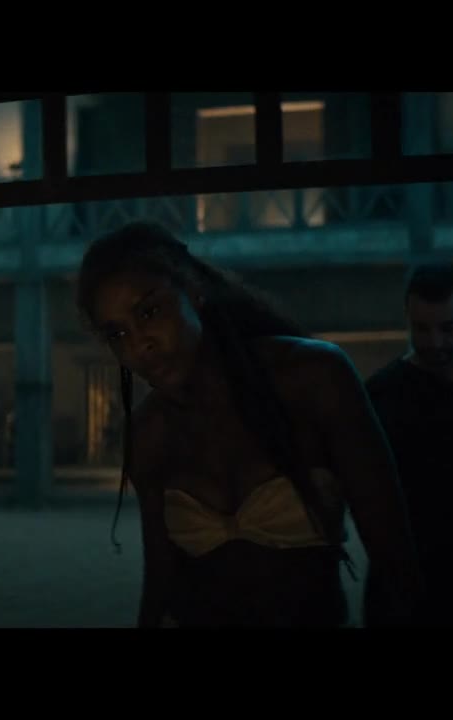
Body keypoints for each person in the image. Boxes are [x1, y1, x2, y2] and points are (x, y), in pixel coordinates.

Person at [77, 221, 421, 628]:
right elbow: (160, 583)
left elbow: (394, 558)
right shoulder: (150, 434)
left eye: (149, 312)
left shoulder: (313, 378)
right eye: (117, 334)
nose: (138, 344)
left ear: (193, 289)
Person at [365, 262, 453, 628]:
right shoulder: (380, 394)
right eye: (422, 329)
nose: (435, 342)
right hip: (403, 578)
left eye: (447, 328)